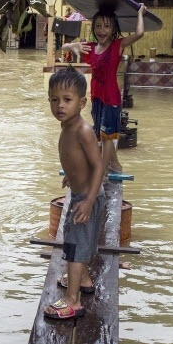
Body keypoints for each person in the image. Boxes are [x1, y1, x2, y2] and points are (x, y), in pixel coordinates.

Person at [43, 67, 106, 321]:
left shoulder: (83, 130)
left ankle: (73, 300)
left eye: (67, 100)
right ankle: (85, 279)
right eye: (54, 100)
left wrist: (90, 200)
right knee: (78, 240)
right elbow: (77, 159)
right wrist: (71, 172)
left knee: (75, 245)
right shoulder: (66, 126)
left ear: (81, 102)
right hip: (80, 193)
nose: (60, 105)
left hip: (87, 197)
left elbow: (99, 165)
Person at [60, 4, 145, 173]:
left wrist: (140, 13)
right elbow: (63, 48)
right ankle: (114, 165)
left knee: (107, 137)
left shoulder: (117, 46)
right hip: (96, 98)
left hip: (111, 99)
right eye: (98, 26)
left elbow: (140, 33)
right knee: (99, 134)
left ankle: (104, 167)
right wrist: (73, 46)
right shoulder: (90, 47)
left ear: (113, 29)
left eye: (107, 26)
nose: (102, 30)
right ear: (93, 28)